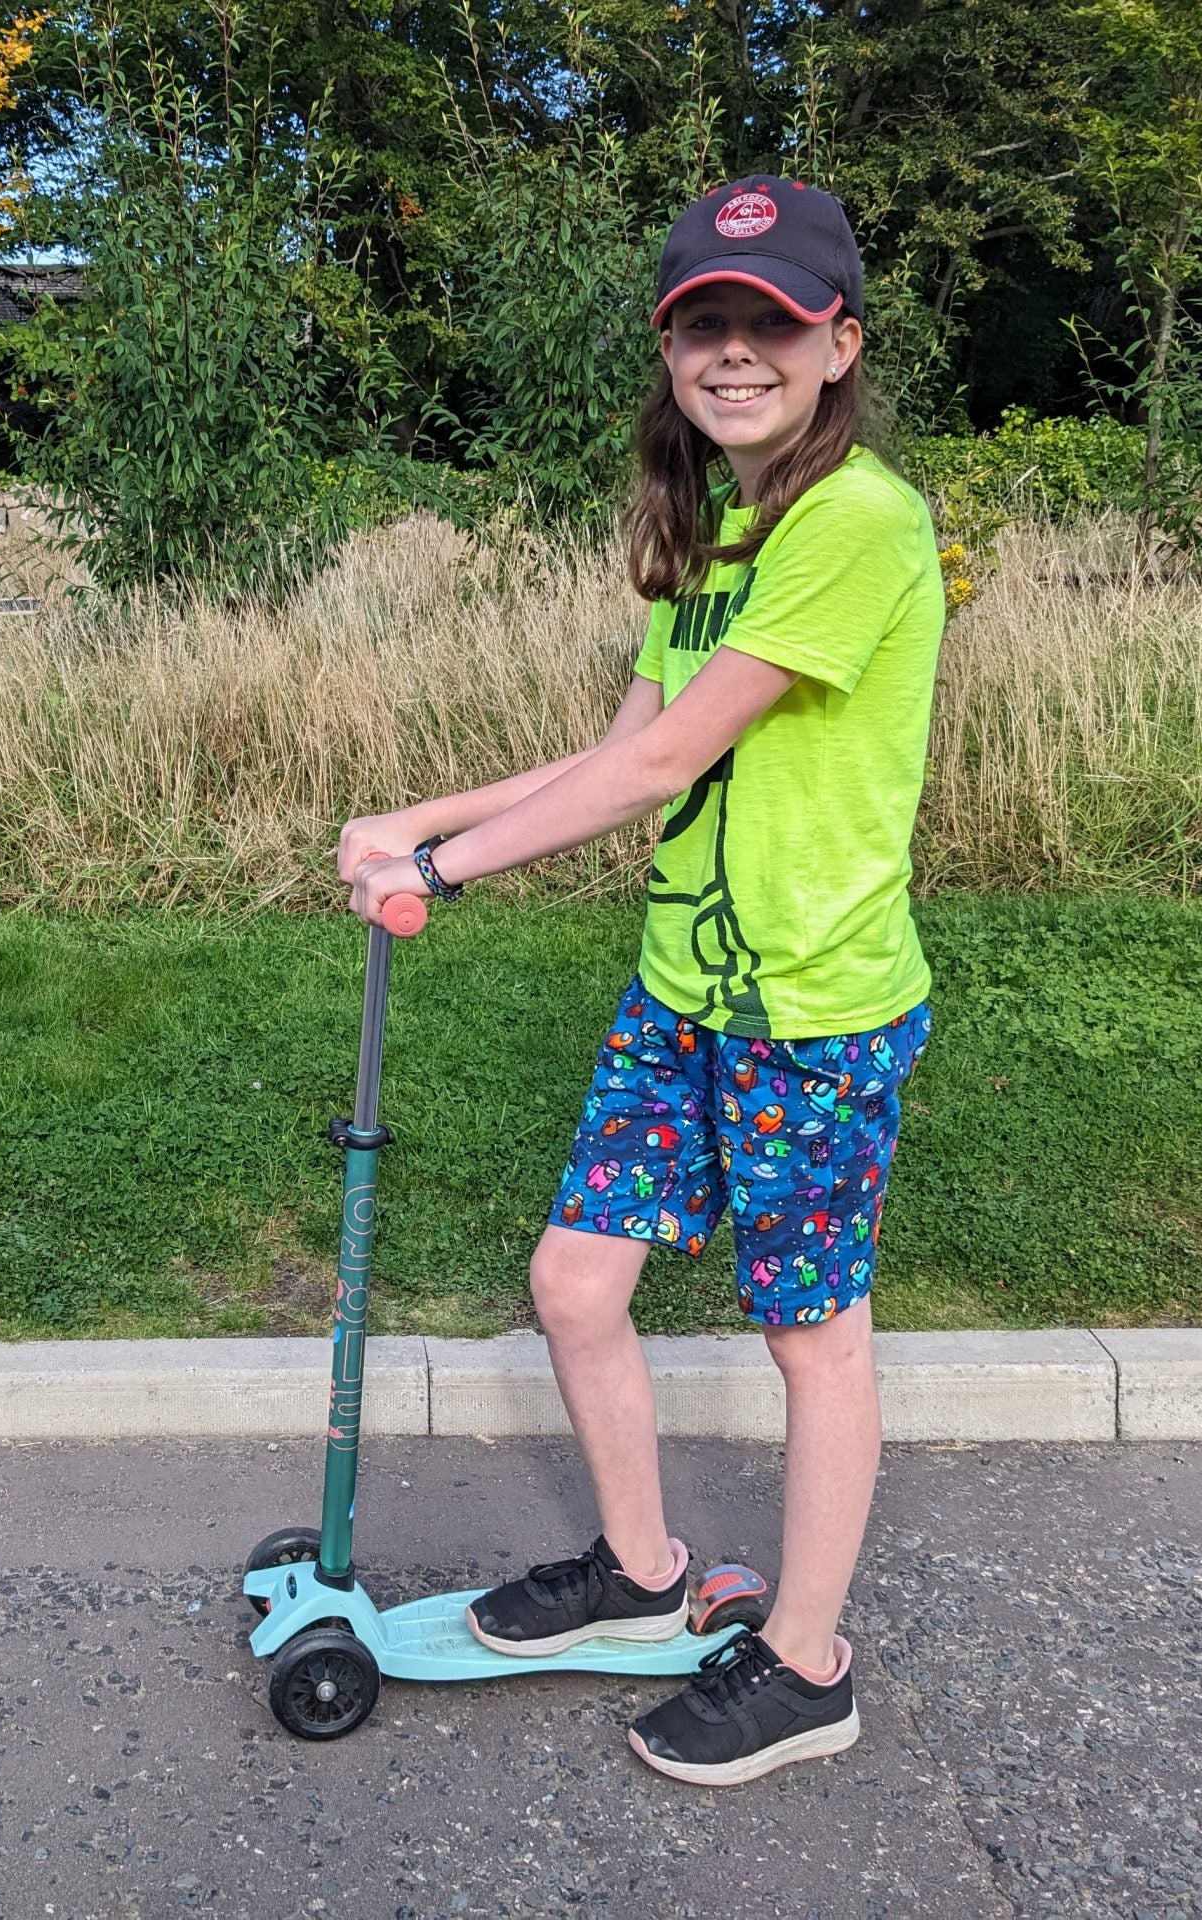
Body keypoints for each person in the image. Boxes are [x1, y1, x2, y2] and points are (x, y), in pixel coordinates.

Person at [337, 177, 944, 1788]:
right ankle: (644, 1577)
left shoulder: (856, 520)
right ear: (672, 350)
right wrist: (425, 816)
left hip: (811, 1009)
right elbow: (621, 750)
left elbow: (678, 753)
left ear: (838, 344)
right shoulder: (721, 528)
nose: (736, 351)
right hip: (685, 991)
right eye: (706, 325)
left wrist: (443, 880)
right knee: (574, 1282)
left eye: (773, 323)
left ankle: (807, 1664)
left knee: (814, 1337)